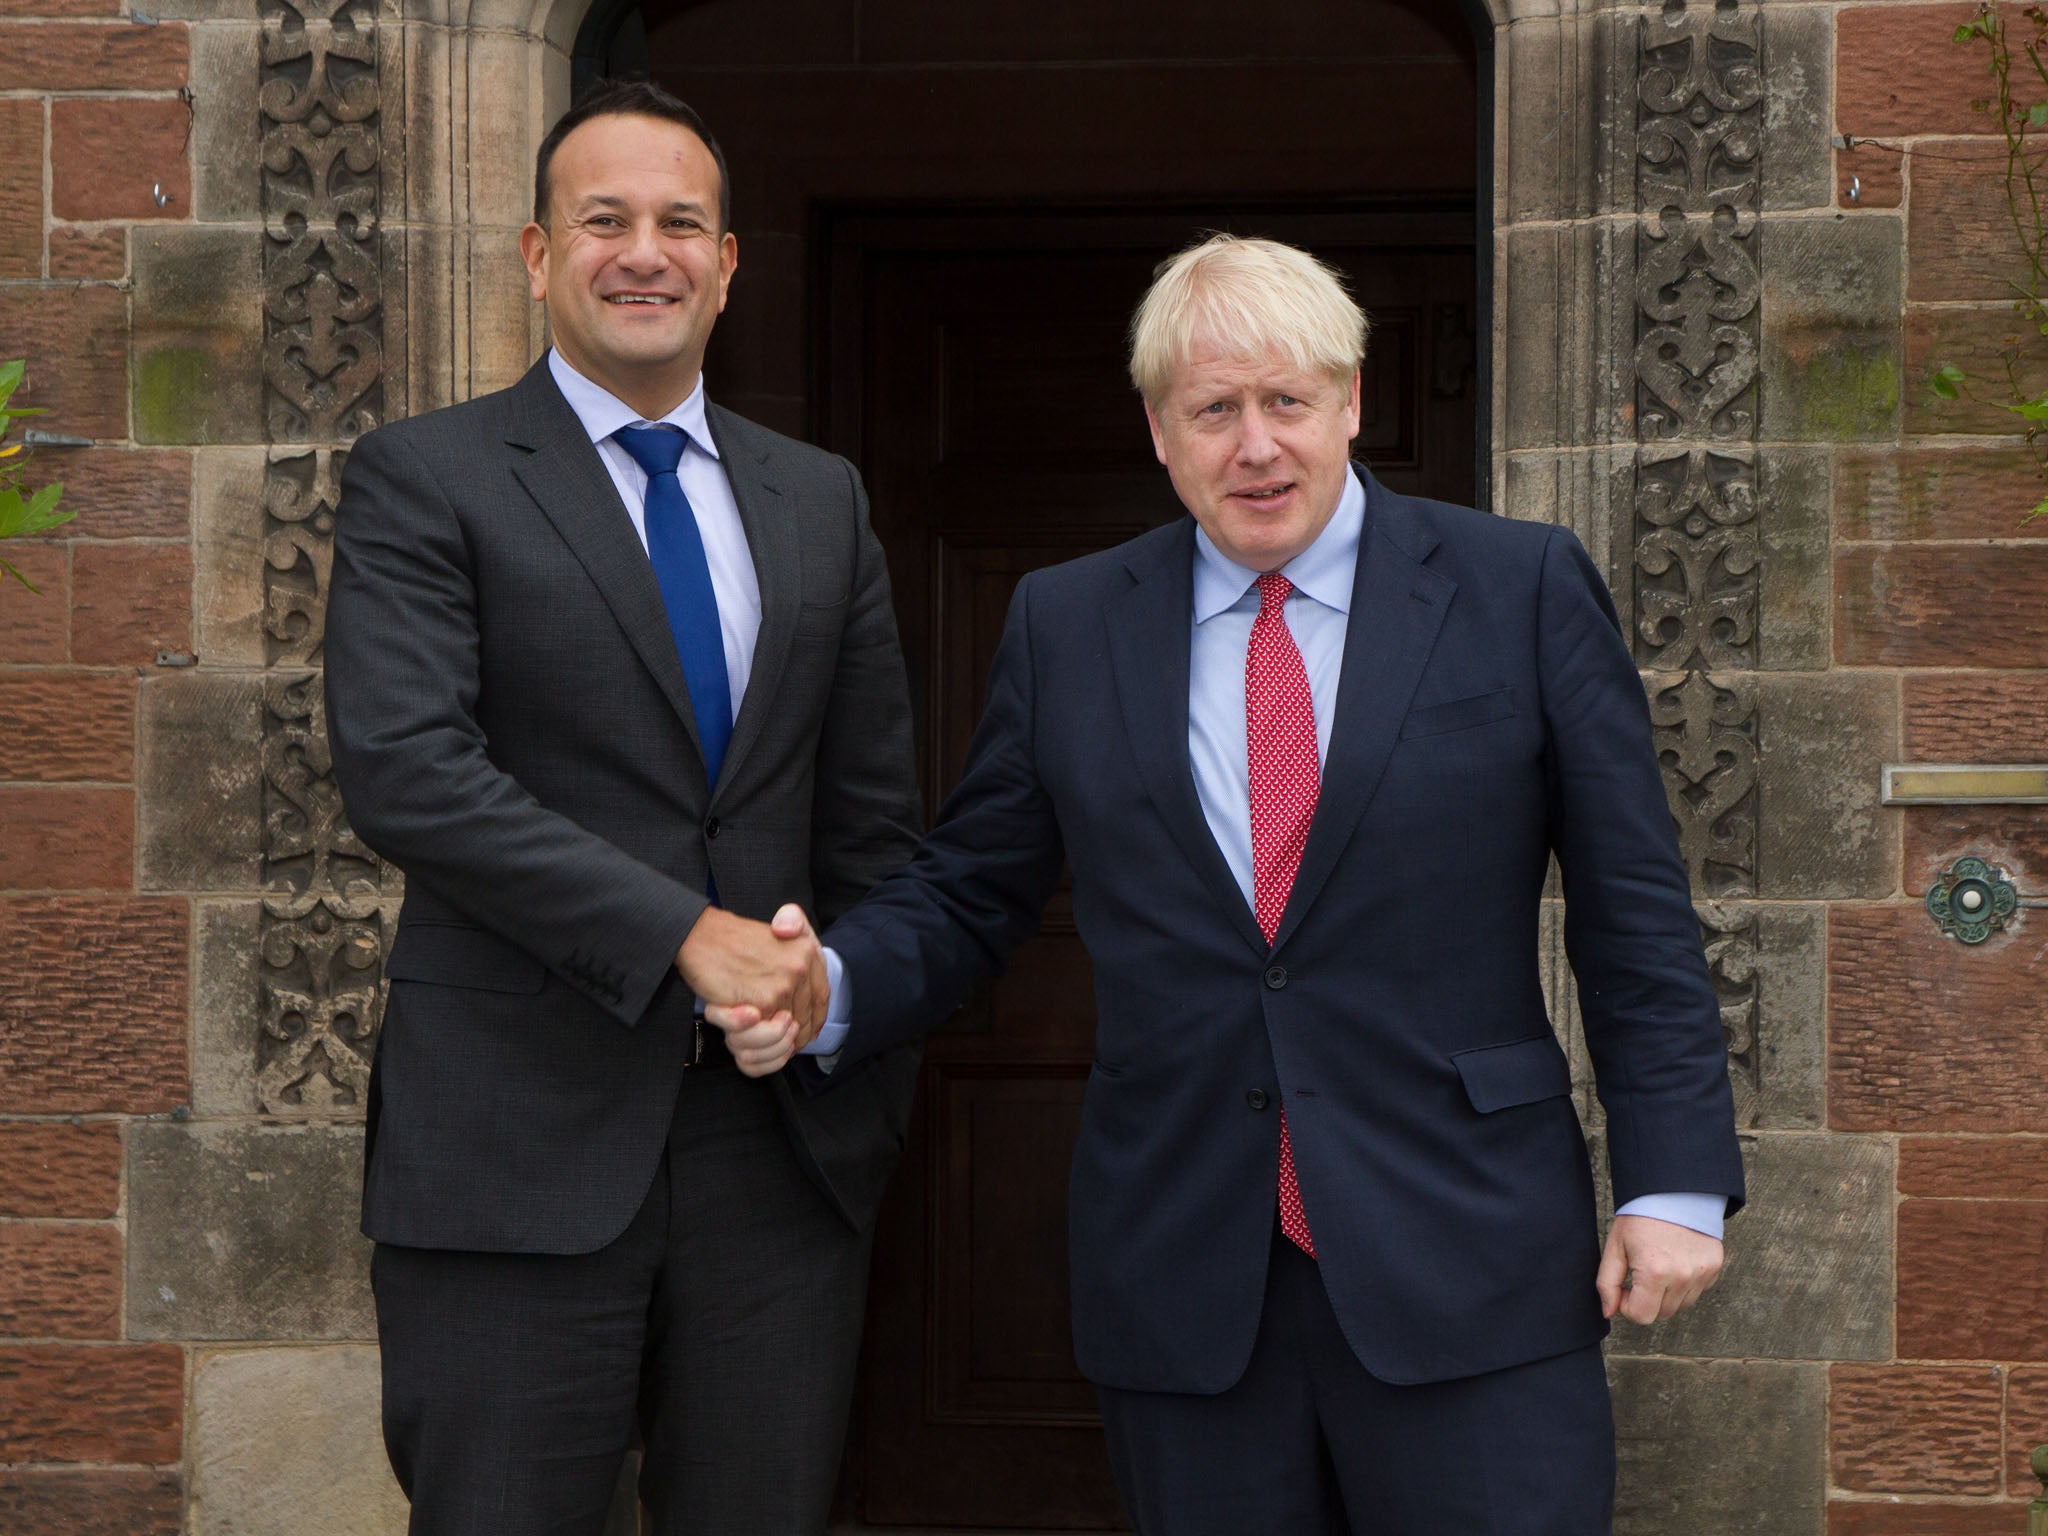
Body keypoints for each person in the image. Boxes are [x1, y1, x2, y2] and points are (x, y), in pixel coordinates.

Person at [719, 234, 1746, 1533]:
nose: (1255, 445)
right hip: (1188, 1280)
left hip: (1470, 1256)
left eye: (1286, 401)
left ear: (1353, 401)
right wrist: (832, 986)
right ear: (1159, 431)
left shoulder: (1516, 589)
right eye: (1215, 409)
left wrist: (1672, 1182)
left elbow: (1632, 907)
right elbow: (976, 888)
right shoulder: (1067, 622)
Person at [322, 78, 921, 1535]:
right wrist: (684, 937)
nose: (643, 251)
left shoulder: (819, 500)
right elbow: (410, 770)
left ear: (728, 267)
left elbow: (873, 825)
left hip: (776, 1168)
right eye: (605, 221)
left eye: (680, 224)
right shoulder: (428, 478)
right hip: (514, 1154)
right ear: (538, 255)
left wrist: (827, 989)